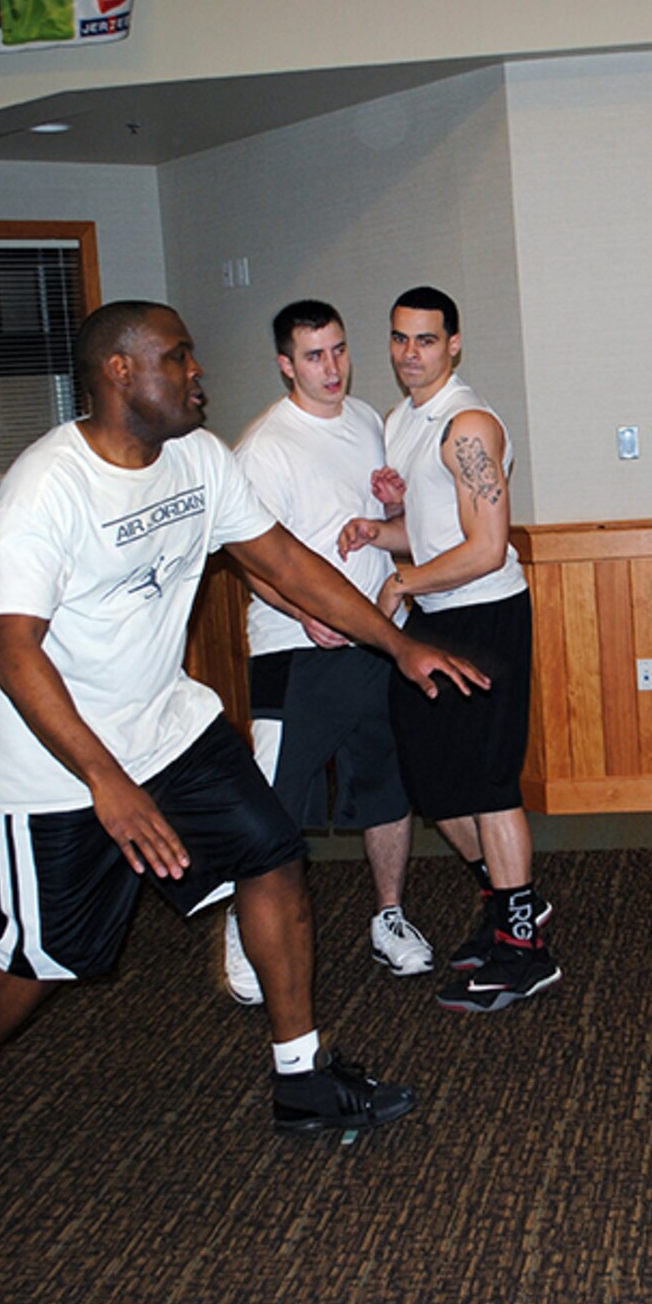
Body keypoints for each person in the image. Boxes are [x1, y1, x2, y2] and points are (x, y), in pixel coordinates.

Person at [0, 301, 487, 1189]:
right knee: (49, 953)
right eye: (178, 357)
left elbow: (287, 563)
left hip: (169, 726)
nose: (197, 373)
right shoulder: (45, 489)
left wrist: (395, 643)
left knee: (273, 850)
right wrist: (106, 781)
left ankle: (300, 1075)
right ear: (119, 372)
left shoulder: (198, 459)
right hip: (54, 760)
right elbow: (13, 651)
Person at [338, 286, 558, 1013]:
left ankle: (524, 951)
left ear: (454, 344)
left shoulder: (468, 425)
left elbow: (487, 548)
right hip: (437, 616)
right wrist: (381, 532)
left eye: (426, 339)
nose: (410, 353)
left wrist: (401, 580)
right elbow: (437, 533)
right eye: (400, 338)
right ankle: (510, 903)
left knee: (489, 784)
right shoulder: (403, 420)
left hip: (486, 617)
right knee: (435, 784)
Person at [220, 300, 432, 1007]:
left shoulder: (368, 420)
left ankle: (390, 916)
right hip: (295, 651)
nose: (332, 367)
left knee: (386, 788)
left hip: (374, 636)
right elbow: (249, 558)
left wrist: (392, 506)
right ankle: (245, 925)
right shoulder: (264, 447)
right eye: (314, 355)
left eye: (339, 350)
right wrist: (302, 611)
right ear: (286, 364)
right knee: (273, 802)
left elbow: (385, 526)